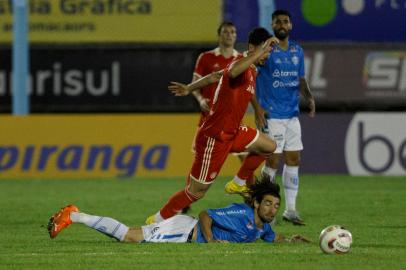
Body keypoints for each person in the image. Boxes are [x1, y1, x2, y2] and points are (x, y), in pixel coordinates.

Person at [145, 28, 279, 225]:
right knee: (195, 193)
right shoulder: (239, 64)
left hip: (233, 132)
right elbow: (232, 71)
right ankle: (155, 220)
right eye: (266, 51)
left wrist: (189, 88)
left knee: (270, 146)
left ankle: (238, 183)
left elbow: (216, 76)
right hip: (214, 137)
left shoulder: (251, 69)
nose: (267, 56)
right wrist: (262, 50)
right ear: (253, 48)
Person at [227, 10, 316, 226]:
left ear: (291, 26)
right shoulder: (267, 50)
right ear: (273, 25)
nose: (282, 25)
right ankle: (263, 208)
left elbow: (300, 78)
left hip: (292, 114)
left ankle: (291, 209)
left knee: (294, 159)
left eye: (286, 21)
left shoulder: (297, 50)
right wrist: (257, 109)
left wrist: (309, 97)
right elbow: (249, 76)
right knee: (273, 160)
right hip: (272, 114)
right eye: (278, 22)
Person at [47, 181, 310, 244]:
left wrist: (294, 242)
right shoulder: (242, 213)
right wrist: (210, 241)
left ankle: (75, 215)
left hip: (185, 231)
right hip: (184, 230)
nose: (272, 209)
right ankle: (74, 215)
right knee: (130, 236)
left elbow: (272, 238)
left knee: (130, 236)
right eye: (267, 204)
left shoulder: (263, 227)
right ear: (255, 204)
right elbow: (206, 215)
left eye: (275, 205)